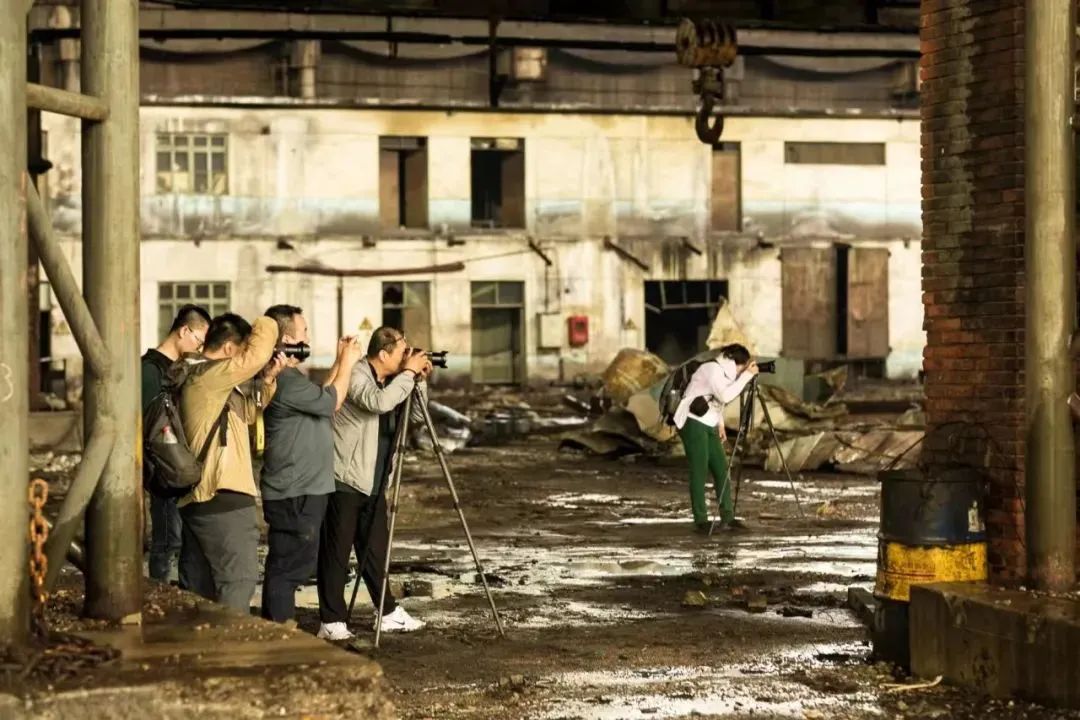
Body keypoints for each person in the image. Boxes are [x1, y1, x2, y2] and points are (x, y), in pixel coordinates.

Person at [316, 326, 431, 641]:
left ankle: (388, 611)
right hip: (346, 478)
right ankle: (330, 620)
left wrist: (418, 380)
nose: (406, 357)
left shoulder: (394, 381)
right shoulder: (356, 375)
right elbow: (377, 403)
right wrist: (408, 374)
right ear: (384, 354)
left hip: (376, 481)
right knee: (336, 552)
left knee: (375, 550)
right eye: (401, 352)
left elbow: (418, 418)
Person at [259, 304, 363, 623]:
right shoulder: (286, 382)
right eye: (304, 332)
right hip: (296, 492)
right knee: (288, 570)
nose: (308, 337)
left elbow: (323, 394)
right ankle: (280, 636)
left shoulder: (291, 379)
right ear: (288, 339)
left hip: (299, 490)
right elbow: (332, 402)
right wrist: (347, 362)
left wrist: (337, 362)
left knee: (289, 566)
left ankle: (277, 630)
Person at [177, 312, 286, 612]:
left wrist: (267, 381)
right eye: (241, 354)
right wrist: (268, 322)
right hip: (221, 496)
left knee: (202, 588)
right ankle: (230, 649)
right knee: (238, 581)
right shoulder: (207, 376)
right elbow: (256, 355)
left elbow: (246, 417)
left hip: (205, 497)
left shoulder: (207, 381)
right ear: (228, 349)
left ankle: (203, 650)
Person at [141, 304, 211, 583]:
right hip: (163, 470)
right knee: (168, 542)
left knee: (182, 542)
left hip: (180, 467)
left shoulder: (177, 370)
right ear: (184, 330)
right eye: (199, 340)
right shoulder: (150, 371)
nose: (199, 348)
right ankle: (161, 598)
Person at [672, 344, 759, 533]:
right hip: (693, 423)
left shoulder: (723, 373)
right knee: (699, 471)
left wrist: (720, 424)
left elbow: (715, 400)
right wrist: (747, 376)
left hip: (709, 423)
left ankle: (727, 517)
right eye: (741, 368)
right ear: (735, 363)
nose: (741, 372)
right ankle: (701, 520)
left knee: (721, 469)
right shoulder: (712, 370)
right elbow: (725, 395)